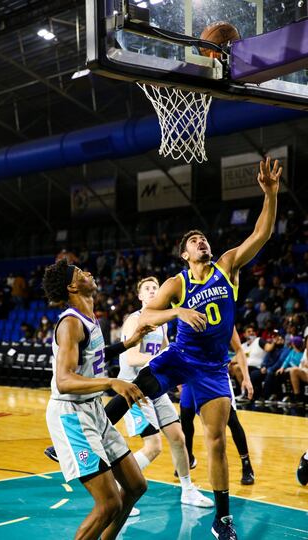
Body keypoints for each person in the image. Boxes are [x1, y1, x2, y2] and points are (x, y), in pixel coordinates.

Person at [105, 157, 282, 540]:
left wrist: (270, 196)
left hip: (214, 368)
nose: (202, 241)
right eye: (193, 240)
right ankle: (93, 431)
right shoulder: (176, 281)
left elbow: (260, 235)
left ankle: (223, 520)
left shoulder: (227, 267)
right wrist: (178, 311)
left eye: (203, 238)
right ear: (185, 254)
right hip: (181, 357)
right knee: (137, 384)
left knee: (216, 441)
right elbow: (147, 316)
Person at [43, 259, 153, 540]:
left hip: (94, 411)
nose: (89, 273)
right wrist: (112, 381)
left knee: (135, 486)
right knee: (108, 503)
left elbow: (95, 355)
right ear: (71, 285)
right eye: (81, 273)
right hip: (72, 414)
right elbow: (64, 380)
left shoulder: (90, 318)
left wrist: (127, 344)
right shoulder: (70, 323)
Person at [118, 276, 213, 508]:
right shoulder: (135, 320)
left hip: (155, 387)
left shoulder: (162, 322)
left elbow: (166, 354)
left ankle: (188, 490)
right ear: (140, 296)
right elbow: (131, 358)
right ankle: (119, 493)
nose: (152, 291)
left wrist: (178, 378)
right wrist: (160, 359)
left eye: (155, 288)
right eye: (147, 289)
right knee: (153, 447)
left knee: (179, 439)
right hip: (134, 389)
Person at [180, 327, 255, 486]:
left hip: (216, 376)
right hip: (192, 374)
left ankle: (246, 464)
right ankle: (189, 458)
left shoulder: (224, 316)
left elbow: (239, 349)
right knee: (185, 418)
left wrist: (246, 378)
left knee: (232, 421)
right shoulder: (190, 315)